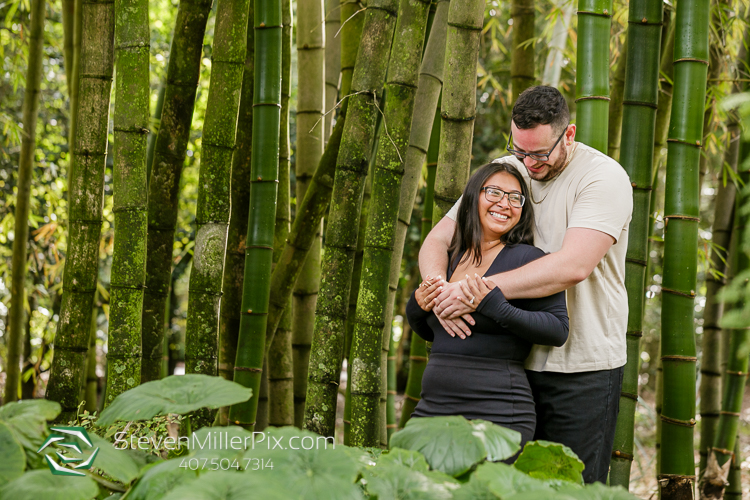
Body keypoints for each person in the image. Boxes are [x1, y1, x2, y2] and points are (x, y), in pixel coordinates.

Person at [419, 85, 633, 483]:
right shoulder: (509, 169)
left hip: (581, 365)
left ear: (568, 134)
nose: (528, 163)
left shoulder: (603, 178)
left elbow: (572, 266)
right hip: (512, 366)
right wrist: (436, 288)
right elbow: (438, 239)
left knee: (570, 487)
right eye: (519, 150)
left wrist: (472, 292)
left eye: (538, 154)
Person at [406, 161, 569, 448]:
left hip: (497, 412)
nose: (504, 204)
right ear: (472, 199)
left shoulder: (528, 259)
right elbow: (432, 331)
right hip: (433, 408)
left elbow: (557, 330)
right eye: (494, 193)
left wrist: (492, 304)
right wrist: (419, 304)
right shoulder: (450, 257)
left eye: (515, 198)